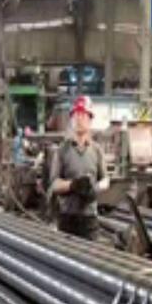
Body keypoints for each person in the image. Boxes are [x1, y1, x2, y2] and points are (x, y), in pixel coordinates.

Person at [49, 95, 109, 240]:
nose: (79, 119)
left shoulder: (97, 150)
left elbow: (106, 179)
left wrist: (95, 188)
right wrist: (73, 185)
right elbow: (54, 184)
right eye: (76, 115)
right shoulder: (62, 150)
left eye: (83, 115)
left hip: (89, 219)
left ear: (90, 119)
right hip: (67, 219)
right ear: (71, 120)